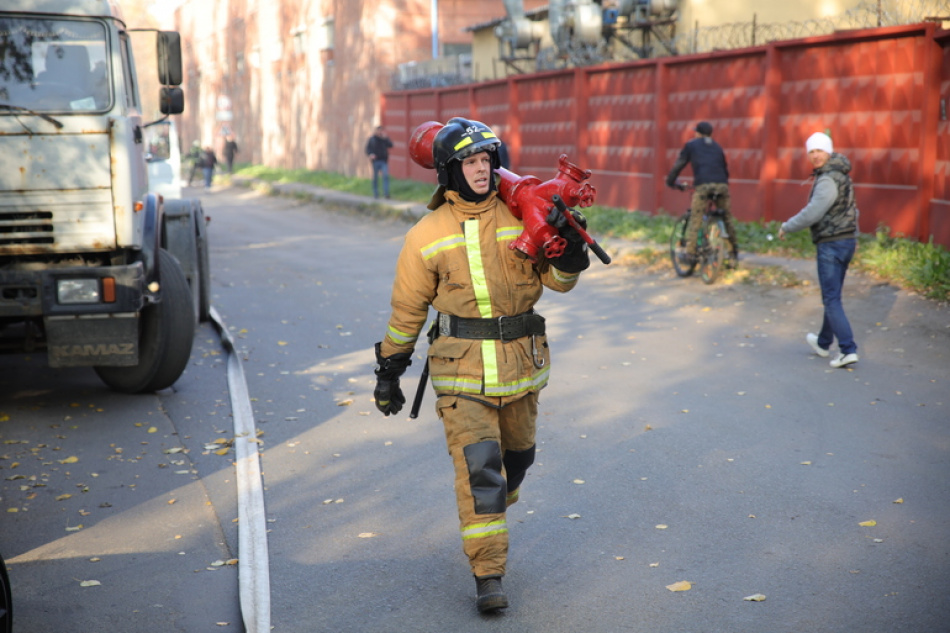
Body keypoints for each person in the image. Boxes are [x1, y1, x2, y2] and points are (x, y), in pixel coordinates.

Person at [372, 118, 590, 614]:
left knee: (517, 463)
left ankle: (495, 507)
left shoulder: (521, 215)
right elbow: (407, 314)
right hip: (461, 375)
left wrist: (571, 250)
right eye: (470, 162)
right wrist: (389, 372)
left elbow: (559, 281)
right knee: (481, 474)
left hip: (522, 370)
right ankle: (488, 574)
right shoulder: (425, 235)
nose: (481, 169)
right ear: (449, 170)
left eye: (487, 160)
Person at [778, 132, 859, 368]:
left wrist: (787, 226)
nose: (815, 155)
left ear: (829, 151)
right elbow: (853, 209)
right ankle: (824, 343)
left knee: (831, 298)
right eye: (811, 151)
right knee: (832, 295)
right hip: (845, 242)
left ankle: (847, 349)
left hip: (831, 244)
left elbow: (814, 211)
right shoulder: (842, 175)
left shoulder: (827, 179)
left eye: (819, 150)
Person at [665, 121, 739, 265]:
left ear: (697, 133)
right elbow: (724, 168)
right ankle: (733, 253)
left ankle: (690, 254)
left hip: (704, 186)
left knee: (696, 218)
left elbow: (679, 165)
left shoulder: (691, 145)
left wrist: (671, 182)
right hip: (722, 185)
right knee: (727, 218)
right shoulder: (717, 147)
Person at [365, 125, 393, 198]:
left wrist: (386, 138)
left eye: (381, 131)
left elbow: (391, 145)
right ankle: (376, 193)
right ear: (376, 131)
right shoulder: (372, 139)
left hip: (383, 161)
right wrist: (371, 154)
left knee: (385, 176)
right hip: (376, 161)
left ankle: (386, 193)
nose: (380, 132)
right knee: (376, 177)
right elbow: (368, 149)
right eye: (379, 131)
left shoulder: (384, 139)